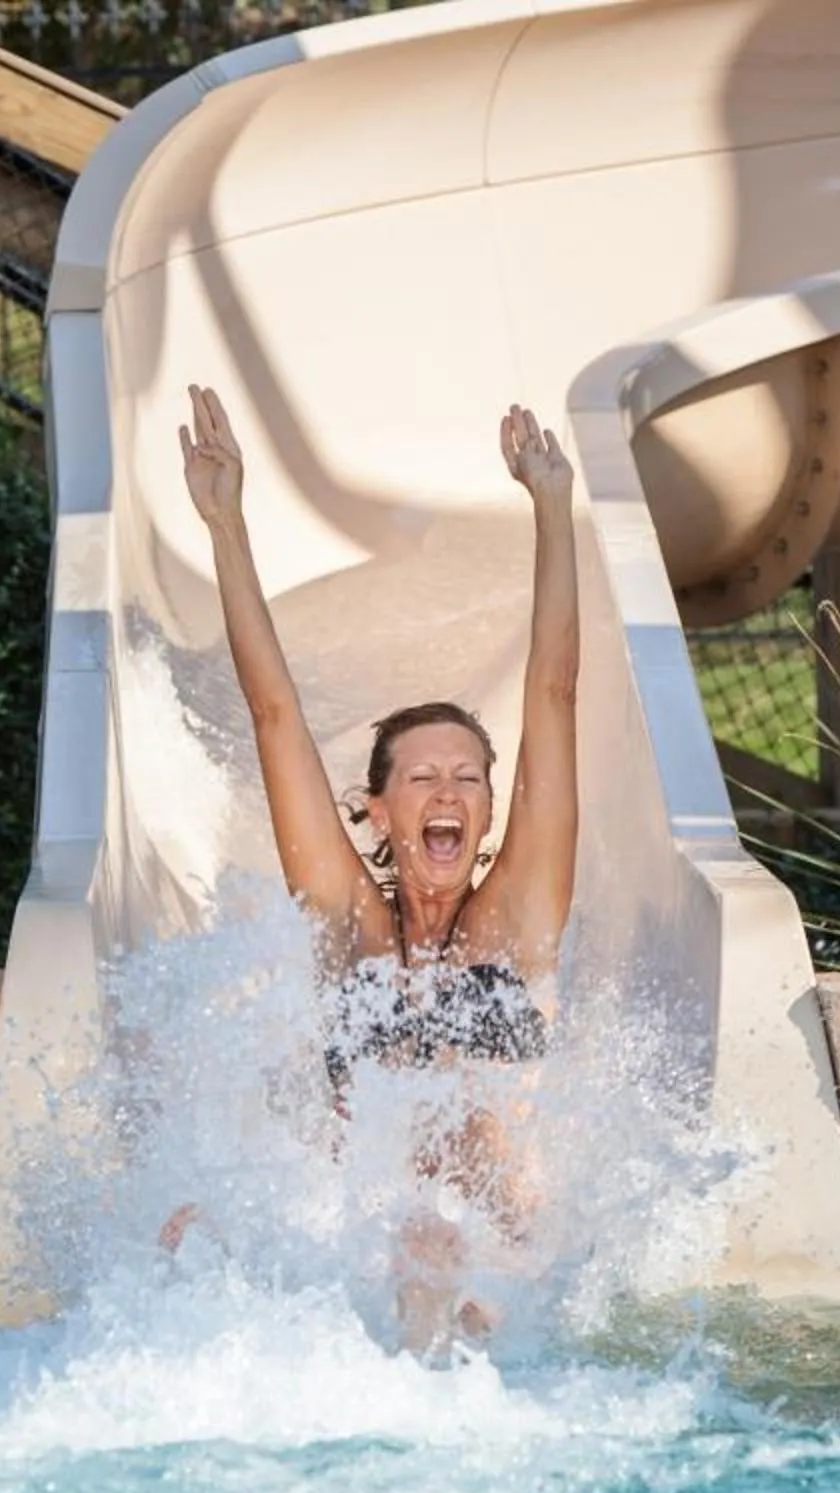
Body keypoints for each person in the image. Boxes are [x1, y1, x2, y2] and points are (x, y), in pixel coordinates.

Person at [165, 384, 580, 1353]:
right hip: (366, 1251)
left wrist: (552, 509)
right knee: (189, 1229)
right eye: (423, 776)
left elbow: (555, 692)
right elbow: (275, 714)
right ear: (378, 810)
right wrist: (227, 524)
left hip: (504, 1254)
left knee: (433, 1243)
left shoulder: (515, 917)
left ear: (484, 812)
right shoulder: (349, 924)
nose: (448, 790)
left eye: (468, 777)